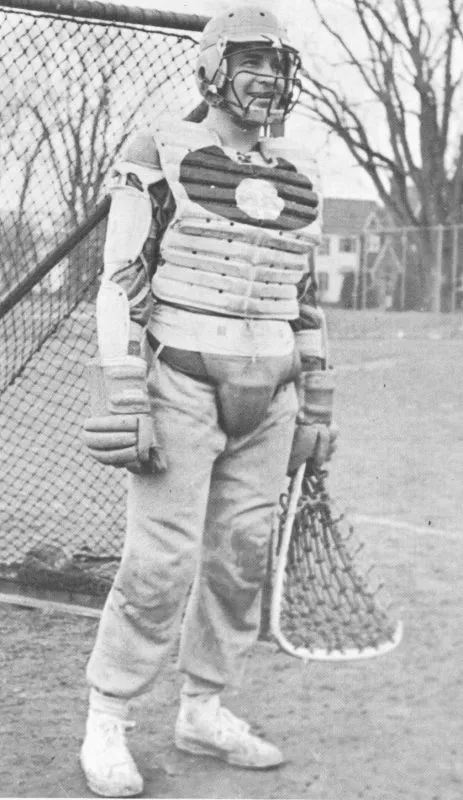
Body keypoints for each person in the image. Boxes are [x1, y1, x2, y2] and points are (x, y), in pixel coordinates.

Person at [80, 4, 337, 796]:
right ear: (213, 67)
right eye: (249, 61)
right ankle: (107, 719)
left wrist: (318, 400)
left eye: (276, 64)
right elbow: (120, 276)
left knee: (240, 559)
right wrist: (128, 389)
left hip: (273, 392)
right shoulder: (159, 145)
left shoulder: (301, 168)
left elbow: (304, 296)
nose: (264, 77)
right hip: (182, 376)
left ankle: (203, 707)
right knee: (159, 561)